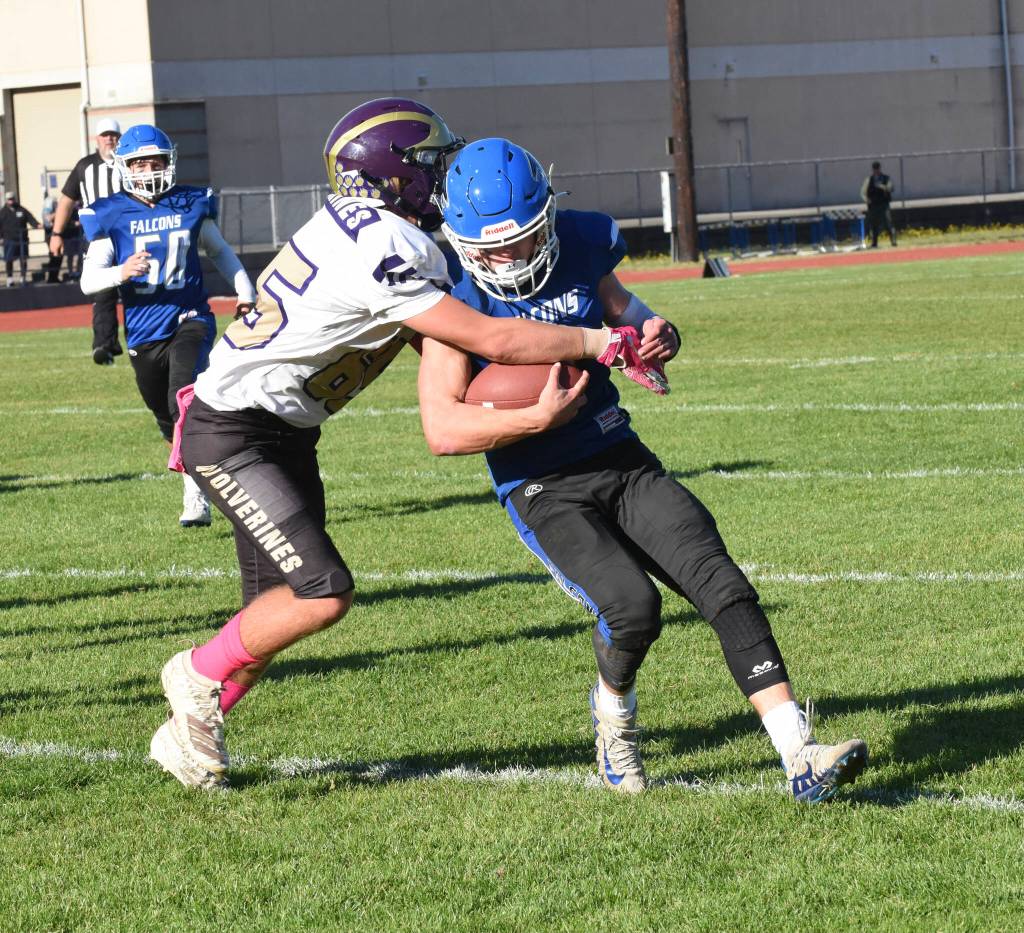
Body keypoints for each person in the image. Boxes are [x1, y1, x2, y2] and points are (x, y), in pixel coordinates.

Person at [146, 98, 663, 790]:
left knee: (269, 612)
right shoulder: (388, 242)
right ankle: (193, 674)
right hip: (237, 429)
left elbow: (448, 345)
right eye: (430, 162)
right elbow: (488, 338)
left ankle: (190, 726)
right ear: (394, 175)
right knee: (323, 592)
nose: (442, 174)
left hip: (283, 428)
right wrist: (600, 341)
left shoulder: (368, 230)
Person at [417, 137, 869, 800]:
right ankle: (613, 723)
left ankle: (798, 752)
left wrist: (660, 332)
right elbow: (443, 427)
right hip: (540, 483)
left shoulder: (580, 242)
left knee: (722, 581)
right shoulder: (448, 297)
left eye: (522, 241)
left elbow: (626, 309)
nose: (510, 259)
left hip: (616, 451)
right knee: (633, 608)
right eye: (492, 248)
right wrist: (532, 420)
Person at [79, 123, 256, 528]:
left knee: (183, 397)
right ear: (125, 167)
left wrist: (246, 292)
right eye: (139, 163)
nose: (148, 169)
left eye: (154, 161)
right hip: (143, 332)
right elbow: (90, 281)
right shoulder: (110, 213)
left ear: (169, 161)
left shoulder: (191, 202)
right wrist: (121, 272)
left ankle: (196, 495)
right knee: (164, 414)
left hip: (189, 317)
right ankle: (195, 459)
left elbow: (220, 252)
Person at [50, 117, 125, 363]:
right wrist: (57, 233)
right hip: (98, 238)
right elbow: (66, 200)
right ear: (97, 139)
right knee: (102, 291)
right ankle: (104, 346)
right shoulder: (85, 167)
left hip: (129, 235)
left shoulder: (128, 163)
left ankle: (145, 342)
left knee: (138, 288)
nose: (110, 139)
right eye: (105, 135)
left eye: (113, 135)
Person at [0, 191, 40, 286]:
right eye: (9, 199)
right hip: (9, 240)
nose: (11, 201)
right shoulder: (3, 212)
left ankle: (23, 278)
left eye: (12, 199)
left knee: (23, 259)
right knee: (9, 259)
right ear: (6, 200)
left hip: (22, 240)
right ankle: (10, 279)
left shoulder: (21, 210)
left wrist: (37, 224)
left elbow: (30, 218)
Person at [860, 161, 896, 248]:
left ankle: (893, 241)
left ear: (880, 168)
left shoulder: (886, 178)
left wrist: (881, 186)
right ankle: (874, 243)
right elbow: (863, 192)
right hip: (873, 205)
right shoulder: (869, 179)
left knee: (889, 223)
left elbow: (891, 188)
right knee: (873, 225)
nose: (876, 170)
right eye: (875, 168)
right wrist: (866, 200)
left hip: (884, 204)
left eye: (877, 168)